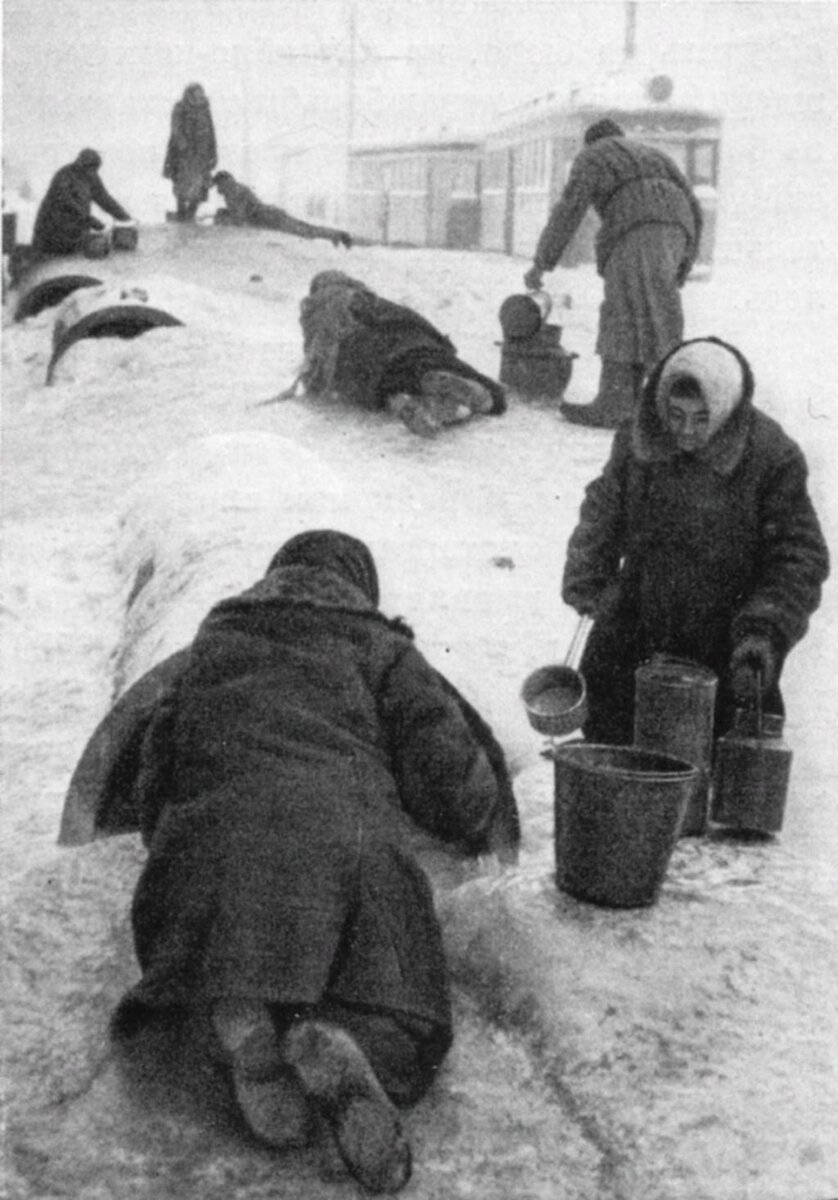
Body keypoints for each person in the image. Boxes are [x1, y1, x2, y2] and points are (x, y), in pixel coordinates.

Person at [70, 531, 519, 1193]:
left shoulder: (213, 641)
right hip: (344, 850)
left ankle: (238, 1028)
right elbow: (452, 780)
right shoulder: (383, 648)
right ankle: (342, 1039)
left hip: (209, 851)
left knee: (198, 983)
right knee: (402, 1007)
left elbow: (155, 771)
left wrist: (180, 851)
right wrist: (482, 817)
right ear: (361, 589)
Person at [561, 337, 829, 745]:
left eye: (702, 418)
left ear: (724, 409)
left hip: (724, 636)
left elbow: (797, 557)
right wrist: (589, 578)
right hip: (638, 622)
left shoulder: (771, 456)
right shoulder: (641, 437)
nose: (686, 430)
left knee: (715, 754)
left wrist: (764, 630)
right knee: (613, 741)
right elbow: (603, 510)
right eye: (676, 414)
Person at [523, 118, 704, 429]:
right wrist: (684, 263)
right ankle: (669, 407)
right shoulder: (655, 154)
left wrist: (541, 262)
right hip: (679, 228)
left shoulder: (592, 155)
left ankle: (616, 404)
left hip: (635, 226)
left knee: (622, 312)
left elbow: (569, 209)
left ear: (591, 141)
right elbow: (695, 206)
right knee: (661, 314)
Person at [275, 270, 507, 438]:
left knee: (389, 386)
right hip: (410, 345)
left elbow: (316, 368)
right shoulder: (361, 297)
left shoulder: (313, 317)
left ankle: (401, 400)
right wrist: (442, 346)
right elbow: (409, 318)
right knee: (494, 395)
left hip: (367, 369)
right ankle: (472, 394)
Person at [31, 148, 131, 257]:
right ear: (81, 165)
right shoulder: (64, 175)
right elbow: (67, 203)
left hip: (75, 233)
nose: (93, 172)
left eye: (95, 169)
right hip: (53, 234)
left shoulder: (92, 177)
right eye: (91, 168)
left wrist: (124, 217)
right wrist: (89, 220)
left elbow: (104, 198)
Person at [212, 170, 352, 248]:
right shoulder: (236, 189)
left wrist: (223, 218)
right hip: (270, 215)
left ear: (223, 182)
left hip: (269, 219)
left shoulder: (232, 192)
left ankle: (338, 235)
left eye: (218, 185)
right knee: (306, 229)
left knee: (305, 231)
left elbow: (240, 218)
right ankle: (336, 235)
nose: (217, 189)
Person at [163, 83, 218, 222]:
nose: (200, 96)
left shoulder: (205, 108)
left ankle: (190, 213)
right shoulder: (180, 108)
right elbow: (176, 128)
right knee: (182, 185)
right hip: (183, 155)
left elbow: (211, 131)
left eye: (201, 93)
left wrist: (213, 152)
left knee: (201, 186)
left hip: (202, 153)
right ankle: (182, 213)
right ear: (190, 94)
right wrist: (183, 146)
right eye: (197, 93)